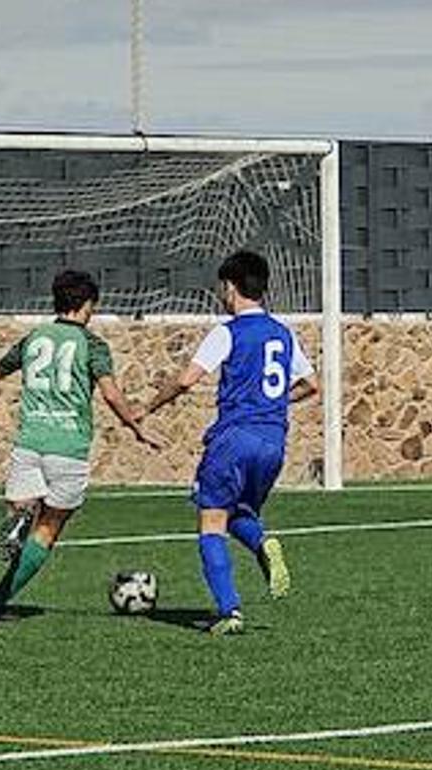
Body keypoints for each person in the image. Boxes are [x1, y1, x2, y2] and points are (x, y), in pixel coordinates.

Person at [0, 269, 160, 623]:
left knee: (20, 507)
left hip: (30, 442)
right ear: (87, 305)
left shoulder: (33, 338)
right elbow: (112, 394)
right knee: (48, 529)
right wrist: (135, 426)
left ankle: (18, 520)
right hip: (68, 447)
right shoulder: (93, 345)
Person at [144, 250, 318, 636]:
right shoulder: (282, 333)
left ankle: (230, 611)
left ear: (230, 287)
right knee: (238, 512)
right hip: (274, 442)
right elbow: (312, 384)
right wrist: (272, 401)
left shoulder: (228, 331)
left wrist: (149, 406)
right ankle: (264, 544)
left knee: (211, 522)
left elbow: (187, 380)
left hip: (233, 437)